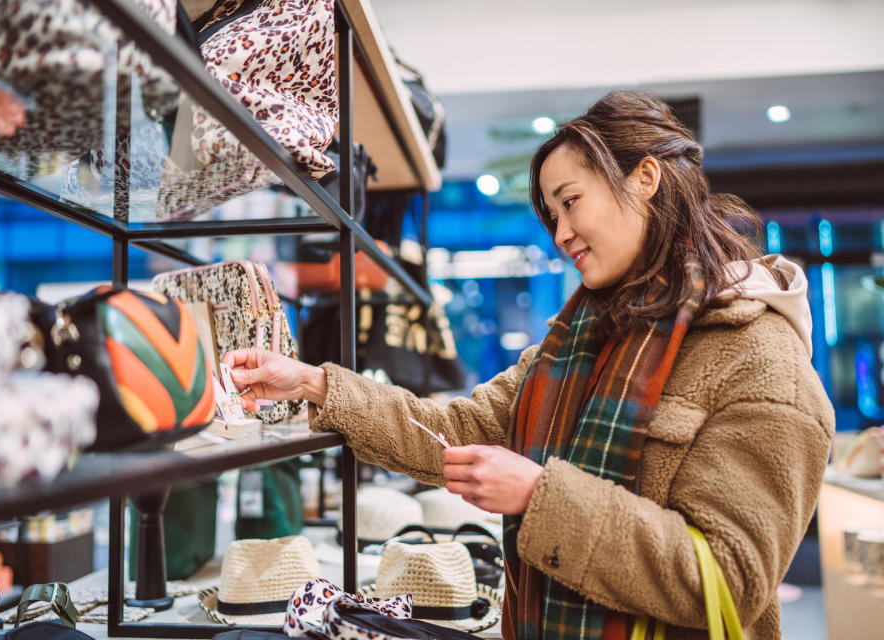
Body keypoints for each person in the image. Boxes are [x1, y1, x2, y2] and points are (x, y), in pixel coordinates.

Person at [222, 91, 834, 640]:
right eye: (552, 214)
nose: (562, 233)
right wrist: (314, 382)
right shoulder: (576, 342)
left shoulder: (760, 360)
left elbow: (732, 579)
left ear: (645, 177)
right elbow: (454, 431)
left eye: (571, 202)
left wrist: (540, 495)